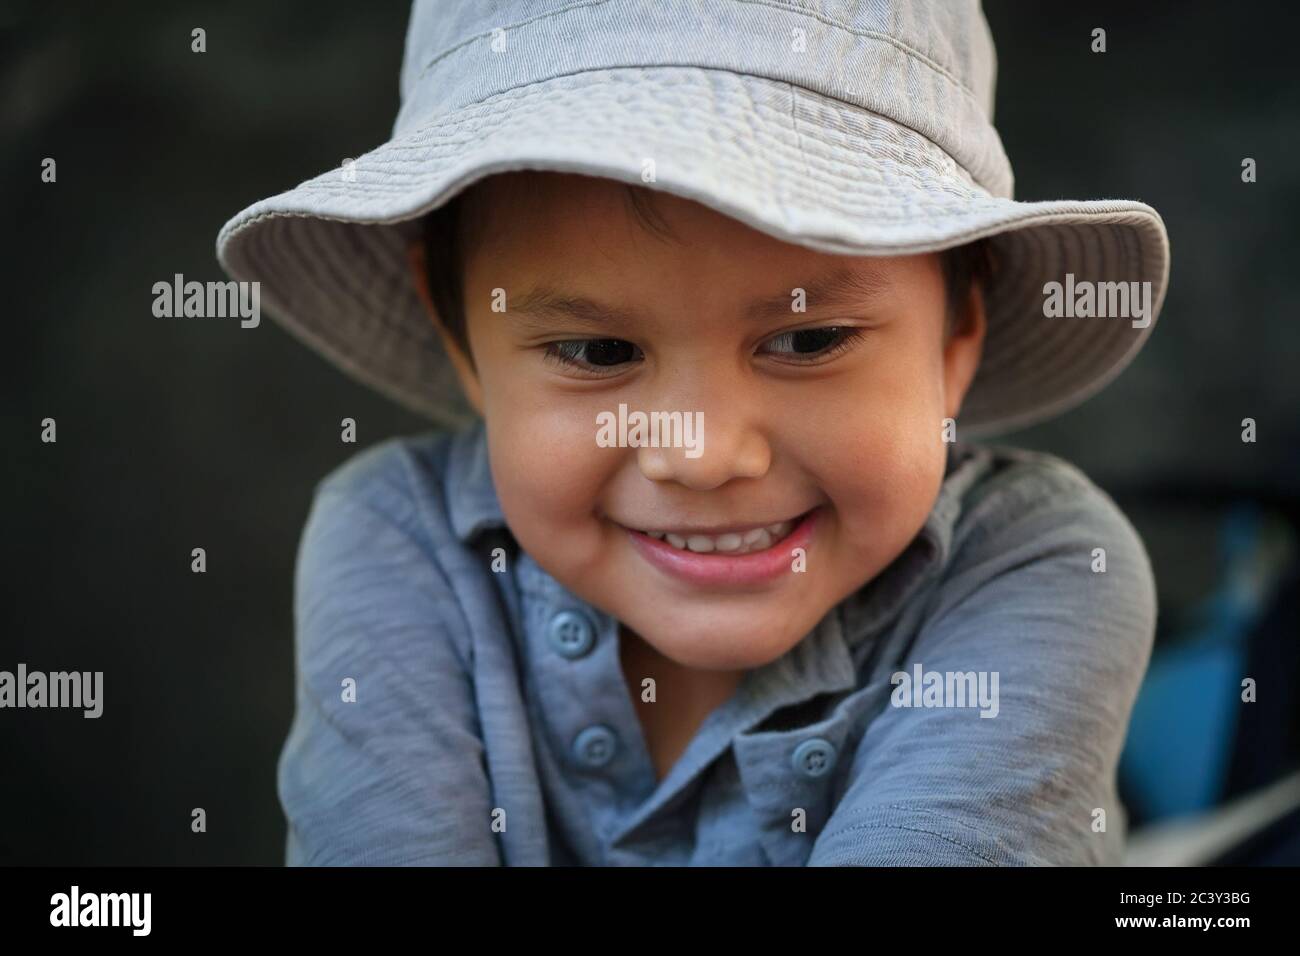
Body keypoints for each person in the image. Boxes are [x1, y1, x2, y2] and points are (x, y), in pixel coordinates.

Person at [217, 0, 1171, 865]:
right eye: (596, 352)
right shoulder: (393, 545)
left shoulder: (1038, 566)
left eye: (806, 338)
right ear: (460, 334)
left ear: (958, 335)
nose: (705, 455)